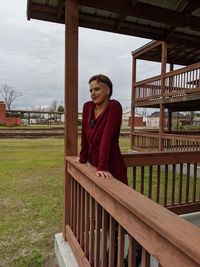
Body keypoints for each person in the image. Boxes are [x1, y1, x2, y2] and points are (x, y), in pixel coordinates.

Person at [78, 74, 127, 185]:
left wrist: (103, 167)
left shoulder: (114, 107)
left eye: (97, 89)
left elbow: (107, 137)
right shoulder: (87, 107)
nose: (93, 94)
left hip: (111, 164)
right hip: (93, 165)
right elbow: (84, 135)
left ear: (107, 90)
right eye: (90, 91)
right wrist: (82, 158)